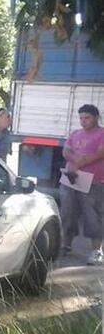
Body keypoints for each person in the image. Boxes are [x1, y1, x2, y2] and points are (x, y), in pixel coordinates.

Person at [60, 104, 104, 265]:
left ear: (96, 118)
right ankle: (66, 245)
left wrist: (79, 163)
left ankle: (96, 251)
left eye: (87, 118)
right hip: (71, 179)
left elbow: (100, 153)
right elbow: (66, 151)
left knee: (93, 216)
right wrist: (73, 161)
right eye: (81, 118)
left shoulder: (102, 133)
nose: (83, 121)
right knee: (68, 212)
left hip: (94, 181)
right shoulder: (75, 133)